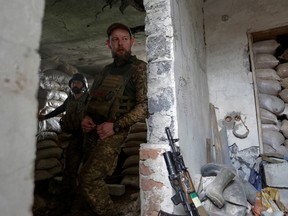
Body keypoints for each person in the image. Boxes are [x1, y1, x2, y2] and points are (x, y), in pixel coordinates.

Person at [78, 22, 148, 216]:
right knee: (86, 178)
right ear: (108, 44)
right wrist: (86, 117)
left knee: (89, 179)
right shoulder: (104, 71)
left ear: (132, 42)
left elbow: (145, 106)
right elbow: (90, 100)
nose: (120, 44)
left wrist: (116, 126)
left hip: (113, 133)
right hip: (93, 131)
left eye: (124, 39)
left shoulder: (139, 69)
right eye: (115, 40)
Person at [39, 73, 90, 194]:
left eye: (78, 82)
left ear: (84, 85)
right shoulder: (71, 99)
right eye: (73, 83)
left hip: (89, 137)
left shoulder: (90, 98)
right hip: (76, 136)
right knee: (70, 166)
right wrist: (45, 116)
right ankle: (68, 195)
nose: (75, 85)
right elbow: (60, 109)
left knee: (89, 168)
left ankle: (85, 196)